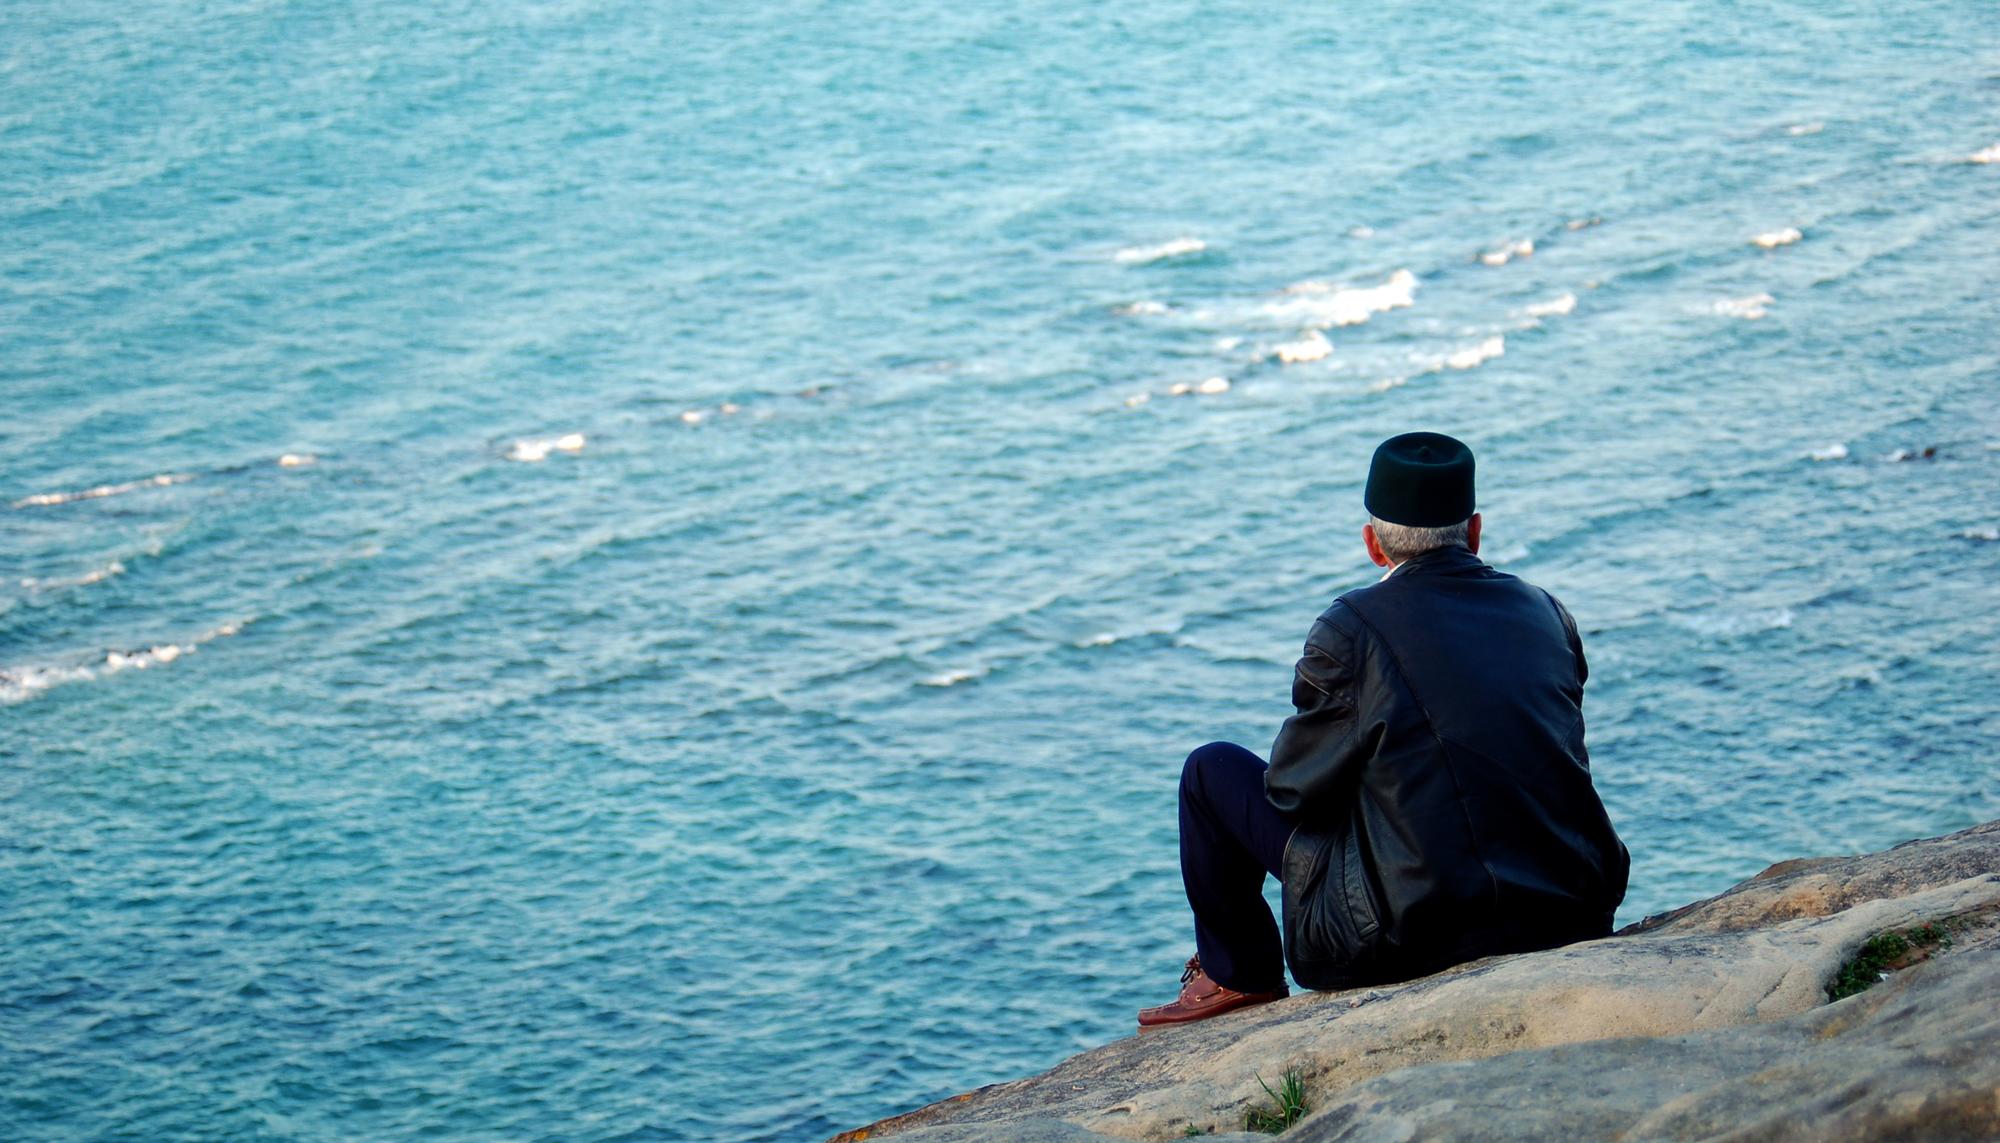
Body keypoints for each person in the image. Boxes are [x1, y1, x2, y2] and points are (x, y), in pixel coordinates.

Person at [1138, 432, 1629, 1028]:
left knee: (1210, 770)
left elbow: (1292, 790)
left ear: (1373, 544)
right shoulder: (1546, 612)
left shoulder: (1350, 629)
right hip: (1569, 906)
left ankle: (1239, 974)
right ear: (1474, 532)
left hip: (1410, 934)